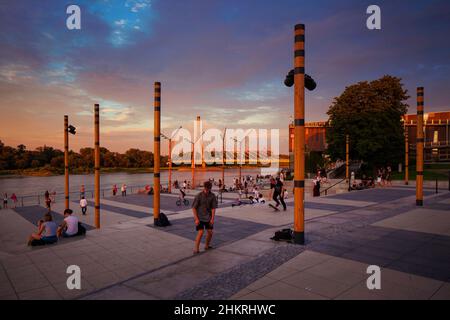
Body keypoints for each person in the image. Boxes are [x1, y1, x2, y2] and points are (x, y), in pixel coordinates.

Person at [192, 181, 217, 254]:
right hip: (199, 217)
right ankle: (196, 249)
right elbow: (194, 208)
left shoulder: (212, 196)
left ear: (210, 188)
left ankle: (207, 245)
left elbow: (213, 208)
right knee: (201, 232)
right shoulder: (199, 195)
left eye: (208, 189)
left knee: (210, 232)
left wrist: (212, 219)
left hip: (208, 217)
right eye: (206, 189)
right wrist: (196, 219)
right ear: (204, 188)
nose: (207, 191)